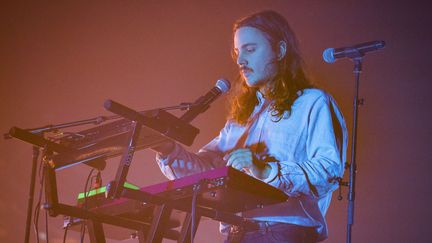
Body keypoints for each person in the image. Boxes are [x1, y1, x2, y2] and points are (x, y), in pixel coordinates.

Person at [152, 10, 348, 243]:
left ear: (280, 50)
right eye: (237, 51)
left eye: (250, 49)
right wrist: (167, 150)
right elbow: (207, 173)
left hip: (281, 231)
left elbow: (329, 170)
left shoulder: (312, 102)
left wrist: (266, 170)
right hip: (236, 233)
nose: (240, 60)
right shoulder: (241, 118)